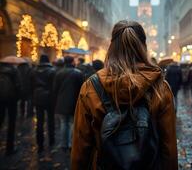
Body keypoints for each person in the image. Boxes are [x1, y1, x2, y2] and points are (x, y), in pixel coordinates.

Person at [71, 20, 177, 170]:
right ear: (144, 46)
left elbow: (81, 147)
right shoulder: (160, 87)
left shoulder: (91, 87)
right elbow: (169, 147)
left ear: (111, 47)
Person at [53, 56, 83, 151]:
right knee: (71, 123)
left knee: (63, 123)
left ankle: (63, 144)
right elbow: (81, 89)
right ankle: (71, 144)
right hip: (74, 102)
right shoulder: (78, 73)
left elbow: (55, 89)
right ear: (73, 61)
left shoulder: (59, 73)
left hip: (61, 102)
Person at [31, 55, 56, 153]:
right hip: (49, 98)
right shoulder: (52, 71)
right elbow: (53, 86)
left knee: (40, 122)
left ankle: (40, 144)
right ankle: (51, 140)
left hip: (38, 97)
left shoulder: (34, 71)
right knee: (51, 120)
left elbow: (31, 85)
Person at [0, 62, 20, 155]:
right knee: (11, 124)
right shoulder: (14, 70)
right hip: (12, 99)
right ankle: (9, 147)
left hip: (0, 99)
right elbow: (18, 85)